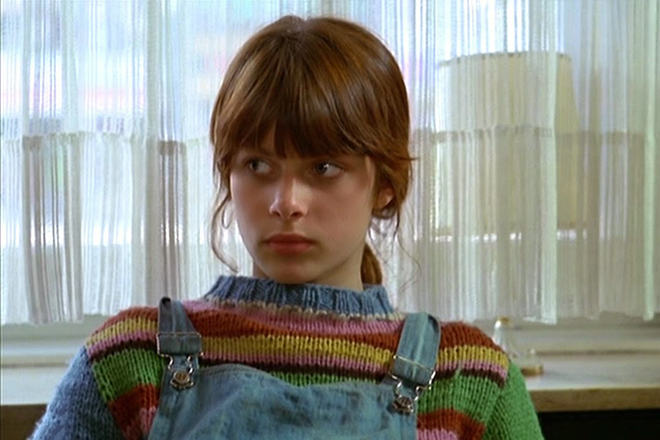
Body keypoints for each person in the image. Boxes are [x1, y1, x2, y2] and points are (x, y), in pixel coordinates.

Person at [31, 15, 543, 439]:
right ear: (228, 175)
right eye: (258, 165)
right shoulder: (130, 362)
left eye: (324, 167)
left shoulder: (469, 379)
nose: (286, 202)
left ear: (385, 184)